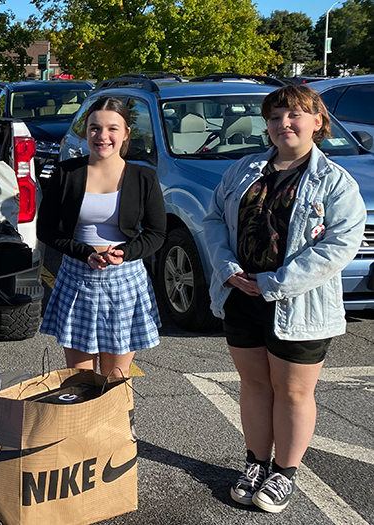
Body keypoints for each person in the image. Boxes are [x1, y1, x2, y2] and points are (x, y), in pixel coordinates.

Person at [202, 84, 365, 513]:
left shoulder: (334, 182)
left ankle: (285, 473)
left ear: (317, 121)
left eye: (294, 115)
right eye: (274, 117)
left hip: (301, 306)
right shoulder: (243, 169)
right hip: (241, 297)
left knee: (292, 393)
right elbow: (215, 219)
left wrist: (276, 282)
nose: (283, 124)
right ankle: (256, 463)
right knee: (255, 385)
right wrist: (225, 268)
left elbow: (339, 245)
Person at [38, 97, 166, 377]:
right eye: (95, 128)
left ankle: (121, 424)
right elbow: (45, 229)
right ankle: (84, 422)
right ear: (85, 131)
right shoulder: (66, 174)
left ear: (126, 134)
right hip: (76, 279)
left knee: (116, 378)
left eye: (112, 129)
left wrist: (125, 252)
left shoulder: (144, 177)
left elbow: (156, 233)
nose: (103, 136)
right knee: (79, 379)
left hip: (125, 282)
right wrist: (83, 252)